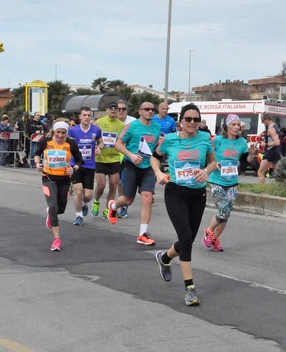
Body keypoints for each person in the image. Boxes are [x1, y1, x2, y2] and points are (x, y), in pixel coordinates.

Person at [151, 103, 217, 306]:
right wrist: (159, 173)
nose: (192, 123)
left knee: (187, 239)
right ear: (180, 121)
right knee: (186, 238)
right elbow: (155, 158)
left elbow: (213, 163)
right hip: (176, 193)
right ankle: (190, 288)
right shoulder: (170, 140)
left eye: (196, 119)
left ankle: (165, 257)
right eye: (188, 119)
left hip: (197, 195)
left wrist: (205, 171)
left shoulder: (205, 139)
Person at [107, 102, 161, 245]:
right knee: (128, 200)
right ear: (140, 111)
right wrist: (131, 155)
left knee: (147, 197)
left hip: (148, 166)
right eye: (147, 109)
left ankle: (142, 234)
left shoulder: (157, 127)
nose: (150, 111)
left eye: (152, 109)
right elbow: (118, 144)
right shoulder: (131, 127)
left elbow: (156, 146)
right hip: (131, 165)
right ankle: (113, 206)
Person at [202, 114, 256, 252]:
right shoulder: (218, 140)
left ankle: (215, 238)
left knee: (226, 213)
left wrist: (252, 153)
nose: (237, 127)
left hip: (232, 181)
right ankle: (209, 231)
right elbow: (207, 155)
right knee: (224, 209)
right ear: (226, 127)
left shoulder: (242, 142)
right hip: (216, 180)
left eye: (238, 125)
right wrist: (213, 163)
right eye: (233, 124)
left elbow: (248, 161)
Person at [33, 120, 83, 251]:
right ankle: (56, 240)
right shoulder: (46, 141)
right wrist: (38, 164)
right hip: (48, 177)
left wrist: (74, 168)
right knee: (54, 207)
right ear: (53, 132)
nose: (60, 135)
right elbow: (36, 154)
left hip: (64, 179)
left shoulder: (71, 143)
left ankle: (51, 213)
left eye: (63, 133)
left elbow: (79, 159)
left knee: (60, 210)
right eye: (58, 132)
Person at [68, 106, 102, 225]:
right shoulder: (73, 130)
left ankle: (84, 203)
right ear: (80, 117)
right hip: (76, 164)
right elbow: (68, 144)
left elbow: (100, 142)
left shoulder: (96, 130)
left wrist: (99, 148)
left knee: (87, 196)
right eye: (84, 115)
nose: (87, 117)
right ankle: (78, 216)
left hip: (90, 165)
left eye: (89, 115)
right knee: (78, 191)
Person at [91, 103, 125, 220]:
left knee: (113, 185)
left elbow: (123, 140)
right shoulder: (98, 122)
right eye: (111, 108)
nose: (114, 110)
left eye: (116, 109)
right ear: (106, 110)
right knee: (101, 185)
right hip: (100, 158)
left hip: (114, 158)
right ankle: (96, 201)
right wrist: (96, 146)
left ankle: (107, 209)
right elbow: (92, 136)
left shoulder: (121, 125)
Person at [257, 113, 281, 183]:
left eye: (263, 120)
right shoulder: (275, 126)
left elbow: (277, 142)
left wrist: (266, 144)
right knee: (278, 174)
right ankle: (281, 190)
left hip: (270, 152)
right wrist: (265, 135)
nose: (262, 122)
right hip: (276, 152)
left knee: (260, 172)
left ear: (267, 119)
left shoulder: (271, 129)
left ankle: (260, 191)